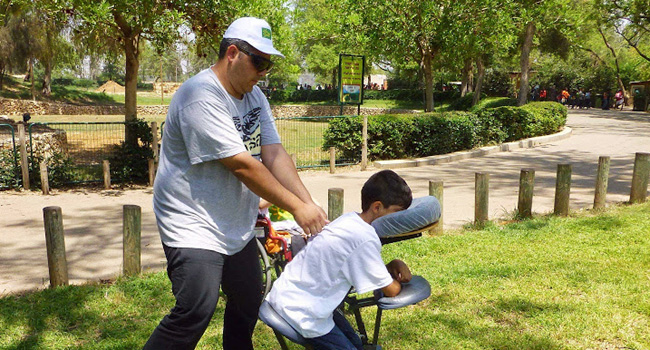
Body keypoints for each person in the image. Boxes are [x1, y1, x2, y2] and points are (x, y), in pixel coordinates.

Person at [143, 17, 328, 350]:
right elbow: (242, 166)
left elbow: (272, 153)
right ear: (232, 53)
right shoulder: (200, 96)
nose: (263, 72)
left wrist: (308, 203)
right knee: (195, 309)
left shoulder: (253, 96)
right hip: (191, 221)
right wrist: (297, 208)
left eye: (268, 64)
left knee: (247, 300)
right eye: (259, 61)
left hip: (234, 222)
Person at [265, 170, 414, 350]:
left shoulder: (348, 220)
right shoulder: (364, 238)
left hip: (289, 295)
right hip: (303, 312)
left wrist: (392, 265)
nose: (399, 218)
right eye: (396, 212)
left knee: (358, 344)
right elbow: (391, 290)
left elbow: (356, 264)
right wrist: (401, 275)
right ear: (377, 207)